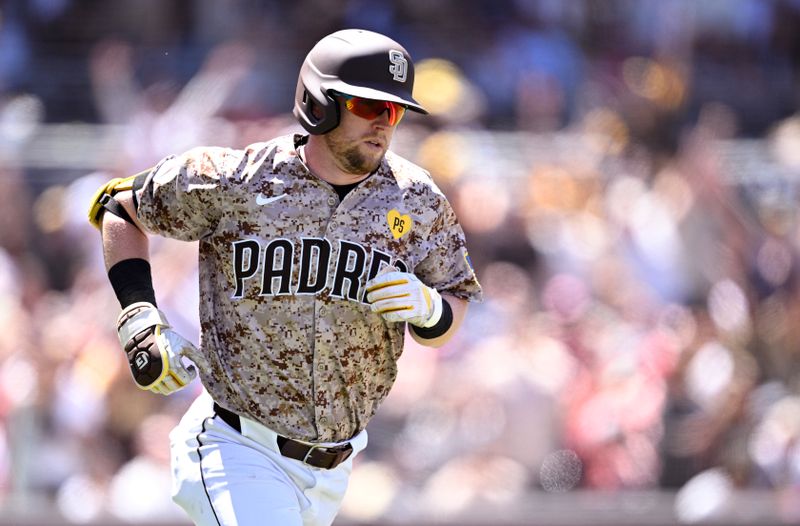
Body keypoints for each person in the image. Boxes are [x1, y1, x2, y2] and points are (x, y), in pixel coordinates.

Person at [88, 28, 482, 526]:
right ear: (320, 104)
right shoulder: (237, 178)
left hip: (334, 469)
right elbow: (121, 209)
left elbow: (454, 306)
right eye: (368, 107)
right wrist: (140, 318)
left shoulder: (417, 199)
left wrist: (430, 310)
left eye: (395, 111)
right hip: (235, 446)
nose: (383, 124)